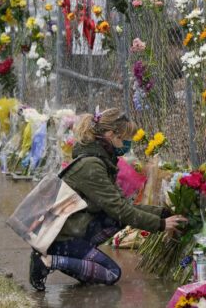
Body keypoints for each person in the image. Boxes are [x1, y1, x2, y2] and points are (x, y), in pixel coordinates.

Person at [29, 107, 187, 291]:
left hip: (74, 230)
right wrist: (161, 224)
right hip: (62, 237)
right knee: (111, 273)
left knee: (114, 222)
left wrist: (164, 213)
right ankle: (48, 260)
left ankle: (76, 259)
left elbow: (122, 206)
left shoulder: (102, 159)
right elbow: (120, 210)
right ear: (111, 135)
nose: (128, 143)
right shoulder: (91, 165)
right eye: (125, 138)